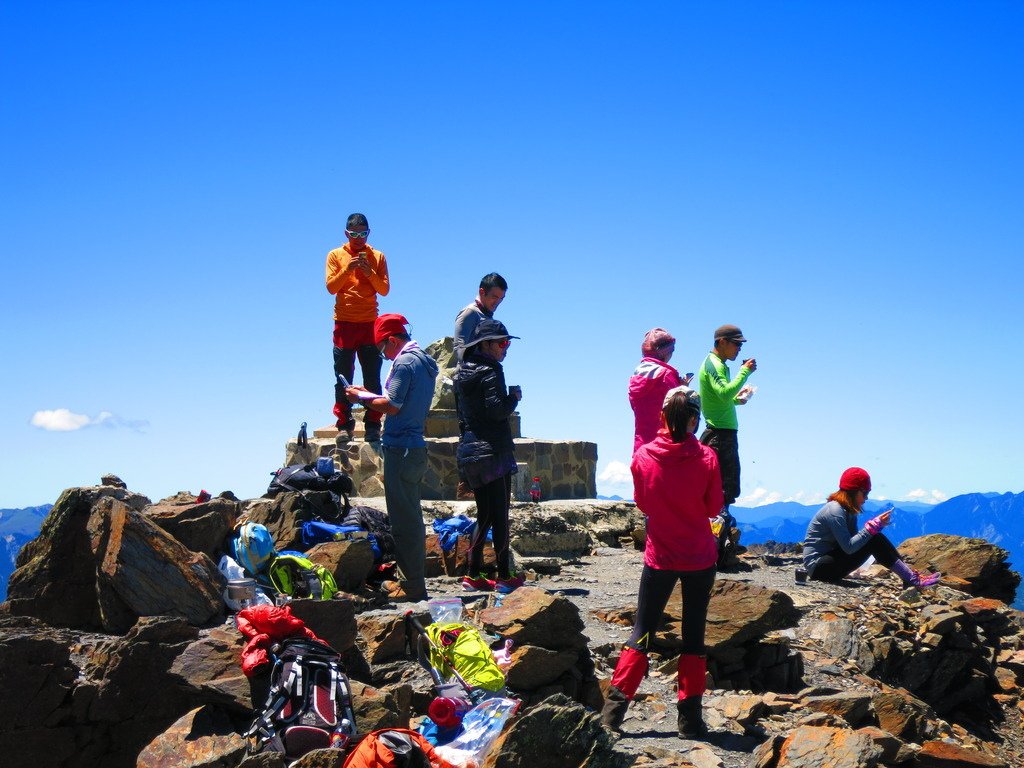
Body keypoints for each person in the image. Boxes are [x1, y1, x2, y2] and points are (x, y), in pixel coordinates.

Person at [601, 386, 723, 739]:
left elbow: (643, 505)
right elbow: (714, 508)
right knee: (694, 636)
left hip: (660, 556)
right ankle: (690, 721)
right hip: (699, 556)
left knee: (642, 631)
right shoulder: (707, 458)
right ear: (694, 419)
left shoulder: (643, 457)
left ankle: (613, 715)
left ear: (662, 416)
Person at [345, 313, 438, 602]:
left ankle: (411, 587)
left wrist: (361, 397)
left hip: (401, 448)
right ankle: (411, 581)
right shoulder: (424, 361)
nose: (384, 356)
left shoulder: (404, 362)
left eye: (383, 349)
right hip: (415, 448)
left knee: (404, 521)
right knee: (410, 517)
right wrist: (369, 393)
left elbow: (393, 405)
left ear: (393, 340)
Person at [454, 318, 525, 594]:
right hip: (493, 452)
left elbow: (465, 417)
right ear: (486, 345)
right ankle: (506, 575)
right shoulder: (491, 370)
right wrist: (514, 398)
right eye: (502, 343)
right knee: (500, 516)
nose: (506, 348)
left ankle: (473, 574)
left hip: (471, 452)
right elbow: (496, 410)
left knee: (484, 515)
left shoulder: (462, 374)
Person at [803, 467, 942, 587]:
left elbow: (856, 542)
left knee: (875, 537)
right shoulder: (835, 511)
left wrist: (875, 528)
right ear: (853, 491)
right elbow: (849, 547)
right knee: (874, 539)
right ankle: (911, 578)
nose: (866, 498)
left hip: (827, 564)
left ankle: (909, 576)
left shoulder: (848, 511)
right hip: (818, 568)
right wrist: (872, 528)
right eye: (865, 493)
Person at [326, 213, 390, 444]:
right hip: (343, 323)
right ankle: (344, 425)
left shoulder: (377, 256)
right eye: (354, 234)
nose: (358, 238)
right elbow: (331, 288)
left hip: (370, 324)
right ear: (346, 234)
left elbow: (384, 290)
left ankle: (373, 424)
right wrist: (348, 269)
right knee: (343, 376)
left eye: (363, 234)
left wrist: (368, 272)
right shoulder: (335, 255)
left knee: (372, 376)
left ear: (368, 233)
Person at [698, 324, 756, 512]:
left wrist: (737, 400)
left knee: (727, 483)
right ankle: (718, 523)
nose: (739, 349)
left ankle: (719, 521)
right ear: (722, 342)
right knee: (725, 484)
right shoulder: (714, 364)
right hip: (720, 434)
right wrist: (745, 372)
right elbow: (723, 393)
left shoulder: (718, 364)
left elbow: (721, 398)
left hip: (721, 431)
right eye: (736, 344)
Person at [629, 328, 693, 455]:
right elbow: (678, 410)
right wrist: (683, 388)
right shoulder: (666, 376)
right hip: (665, 449)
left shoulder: (635, 377)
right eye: (671, 350)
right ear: (664, 352)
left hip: (641, 449)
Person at [453, 273, 508, 364]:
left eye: (501, 298)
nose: (497, 302)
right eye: (494, 297)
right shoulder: (470, 312)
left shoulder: (487, 315)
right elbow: (459, 349)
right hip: (471, 374)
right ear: (482, 292)